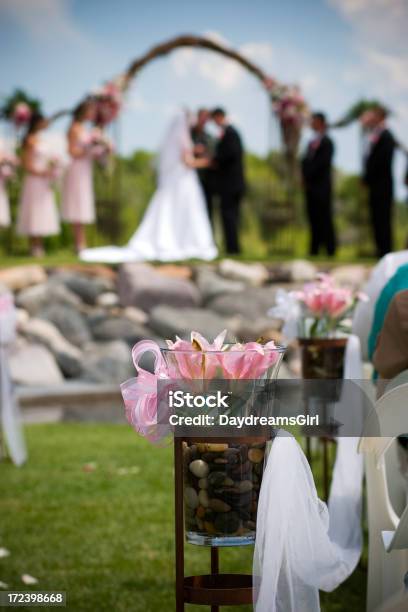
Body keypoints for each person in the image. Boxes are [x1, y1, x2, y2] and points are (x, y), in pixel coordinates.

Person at [80, 111, 217, 263]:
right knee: (186, 211)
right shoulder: (183, 138)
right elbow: (188, 162)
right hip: (183, 181)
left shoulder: (176, 137)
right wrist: (207, 162)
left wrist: (193, 152)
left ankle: (179, 241)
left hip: (176, 181)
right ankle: (187, 242)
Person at [16, 112, 60, 257]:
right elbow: (26, 164)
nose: (45, 124)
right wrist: (43, 172)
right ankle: (33, 246)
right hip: (34, 180)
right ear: (36, 123)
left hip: (44, 181)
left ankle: (40, 245)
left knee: (43, 211)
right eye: (43, 121)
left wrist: (52, 168)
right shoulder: (29, 140)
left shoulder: (42, 140)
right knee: (33, 210)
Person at [62, 98, 97, 253]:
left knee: (83, 203)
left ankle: (82, 243)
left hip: (85, 168)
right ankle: (79, 244)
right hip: (76, 168)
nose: (92, 113)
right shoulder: (74, 128)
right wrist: (88, 150)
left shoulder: (86, 129)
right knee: (77, 203)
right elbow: (71, 151)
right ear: (84, 111)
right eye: (90, 110)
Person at [362, 105, 395, 258]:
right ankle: (379, 249)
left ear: (381, 117)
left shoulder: (387, 136)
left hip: (383, 184)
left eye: (374, 115)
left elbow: (382, 161)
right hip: (375, 185)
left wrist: (370, 176)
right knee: (376, 217)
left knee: (383, 217)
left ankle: (385, 250)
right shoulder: (374, 135)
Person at [301, 112, 336, 257]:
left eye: (313, 121)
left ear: (321, 123)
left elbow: (322, 164)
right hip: (310, 187)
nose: (311, 124)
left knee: (325, 217)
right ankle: (314, 248)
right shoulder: (311, 142)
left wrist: (309, 175)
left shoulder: (327, 142)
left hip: (322, 187)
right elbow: (305, 161)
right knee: (313, 218)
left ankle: (329, 248)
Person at [211, 107, 245, 254]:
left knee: (230, 217)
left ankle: (233, 249)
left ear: (220, 117)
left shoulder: (231, 133)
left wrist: (215, 160)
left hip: (231, 184)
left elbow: (230, 155)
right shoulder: (228, 133)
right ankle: (231, 248)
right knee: (229, 217)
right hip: (230, 184)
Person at [190, 108, 216, 222]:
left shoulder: (210, 138)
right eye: (202, 117)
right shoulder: (188, 134)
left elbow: (212, 158)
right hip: (190, 179)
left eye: (207, 118)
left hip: (206, 180)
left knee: (207, 211)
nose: (204, 120)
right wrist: (193, 151)